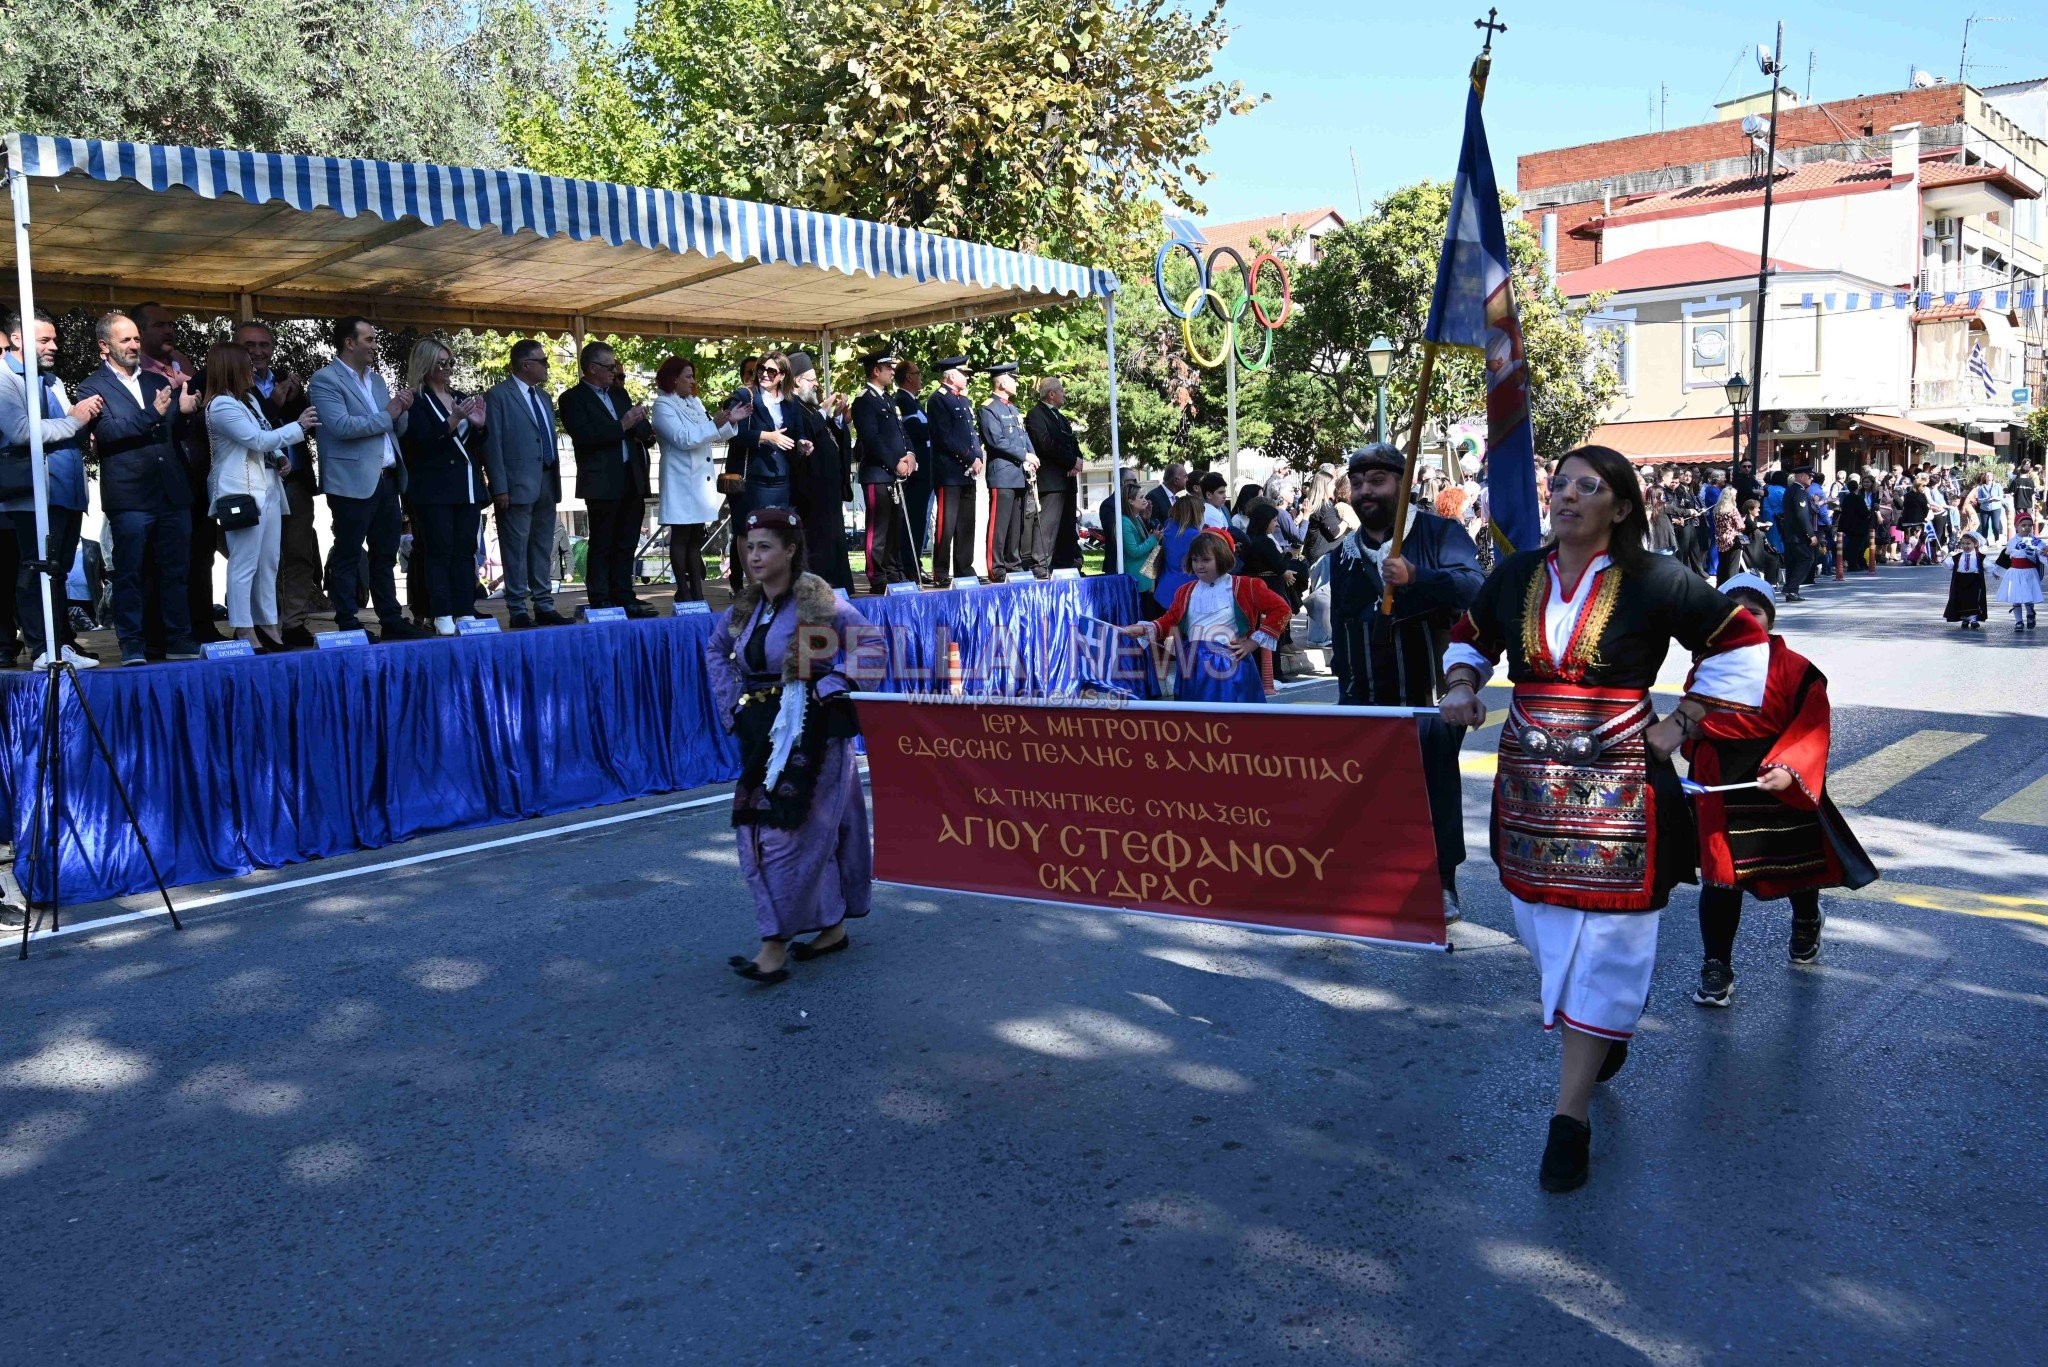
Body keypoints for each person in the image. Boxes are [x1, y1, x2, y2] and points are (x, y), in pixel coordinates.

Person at [1439, 445, 1770, 1193]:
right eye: (1559, 483)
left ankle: (1570, 1117)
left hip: (1623, 790)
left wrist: (1683, 720)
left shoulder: (1657, 579)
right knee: (1543, 929)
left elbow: (1741, 642)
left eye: (1588, 487)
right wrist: (1462, 683)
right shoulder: (1517, 574)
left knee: (1611, 942)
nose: (1565, 496)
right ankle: (1604, 1028)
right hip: (1530, 795)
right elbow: (1470, 637)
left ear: (1620, 506)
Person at [1685, 573, 1877, 1006]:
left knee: (1797, 867)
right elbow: (1692, 721)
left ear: (1769, 619)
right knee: (1721, 878)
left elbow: (1812, 725)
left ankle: (1807, 918)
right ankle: (1717, 967)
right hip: (1723, 785)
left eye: (1753, 612)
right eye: (1733, 614)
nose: (1744, 620)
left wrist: (1791, 768)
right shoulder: (1707, 664)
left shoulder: (1798, 670)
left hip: (1778, 780)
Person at [705, 507, 874, 985]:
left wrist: (834, 682)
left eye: (764, 547)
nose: (753, 556)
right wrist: (731, 707)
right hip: (762, 732)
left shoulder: (819, 602)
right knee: (789, 833)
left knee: (783, 836)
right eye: (748, 546)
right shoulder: (745, 607)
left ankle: (772, 945)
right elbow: (716, 651)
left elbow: (872, 644)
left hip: (813, 734)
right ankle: (832, 927)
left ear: (791, 550)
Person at [1328, 443, 1485, 921]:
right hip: (1365, 697)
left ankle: (1441, 883)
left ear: (1403, 483)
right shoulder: (1343, 558)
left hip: (1430, 693)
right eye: (1358, 483)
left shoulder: (1440, 533)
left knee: (1433, 786)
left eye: (1377, 481)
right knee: (1368, 791)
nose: (1366, 491)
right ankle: (1373, 881)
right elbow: (1343, 625)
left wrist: (1418, 575)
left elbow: (1475, 588)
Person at [76, 312, 203, 665]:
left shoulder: (153, 380)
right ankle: (132, 643)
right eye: (125, 340)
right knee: (130, 573)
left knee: (176, 570)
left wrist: (185, 411)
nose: (134, 345)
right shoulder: (91, 387)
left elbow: (170, 431)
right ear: (104, 346)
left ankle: (179, 638)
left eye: (135, 339)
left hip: (171, 491)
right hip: (130, 496)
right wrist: (154, 414)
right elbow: (107, 434)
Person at [310, 316, 425, 642]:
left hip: (387, 478)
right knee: (348, 553)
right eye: (370, 339)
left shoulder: (376, 380)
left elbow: (390, 427)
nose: (375, 345)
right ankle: (347, 621)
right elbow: (342, 427)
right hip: (350, 480)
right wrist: (389, 413)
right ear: (350, 343)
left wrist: (401, 412)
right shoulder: (325, 380)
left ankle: (390, 617)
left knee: (385, 553)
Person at [1, 309, 103, 668]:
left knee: (58, 569)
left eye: (54, 339)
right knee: (35, 568)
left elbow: (59, 427)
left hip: (65, 491)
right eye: (44, 339)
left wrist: (79, 427)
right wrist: (73, 420)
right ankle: (43, 648)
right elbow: (21, 431)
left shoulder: (51, 379)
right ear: (17, 339)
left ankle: (62, 644)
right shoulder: (4, 378)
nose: (54, 346)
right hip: (32, 493)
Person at [202, 340, 319, 652]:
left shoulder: (248, 401)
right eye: (246, 363)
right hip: (241, 492)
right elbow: (256, 438)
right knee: (244, 562)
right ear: (231, 367)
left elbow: (266, 435)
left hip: (267, 488)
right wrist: (299, 426)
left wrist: (281, 457)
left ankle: (268, 624)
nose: (252, 368)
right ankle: (243, 627)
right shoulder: (222, 405)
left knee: (269, 561)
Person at [1120, 530, 1289, 703]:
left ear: (1222, 558)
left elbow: (1281, 609)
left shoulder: (1245, 586)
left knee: (1229, 722)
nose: (1199, 565)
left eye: (1206, 560)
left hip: (1229, 668)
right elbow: (1169, 620)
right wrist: (1142, 628)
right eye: (1195, 559)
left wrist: (1252, 643)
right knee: (1197, 724)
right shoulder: (1186, 591)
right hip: (1193, 667)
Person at [135, 302, 220, 644]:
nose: (169, 330)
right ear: (138, 332)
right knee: (159, 560)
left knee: (201, 553)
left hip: (195, 475)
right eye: (160, 325)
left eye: (172, 324)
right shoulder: (135, 372)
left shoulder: (182, 364)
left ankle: (200, 623)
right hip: (156, 478)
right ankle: (158, 632)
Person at [234, 322, 323, 648]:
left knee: (298, 554)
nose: (258, 352)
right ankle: (258, 624)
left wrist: (295, 399)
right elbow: (251, 432)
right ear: (234, 348)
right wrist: (275, 402)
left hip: (295, 480)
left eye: (264, 345)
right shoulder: (233, 385)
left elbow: (309, 428)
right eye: (249, 345)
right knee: (256, 558)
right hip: (254, 484)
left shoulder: (288, 379)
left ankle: (294, 622)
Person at [398, 339, 490, 635]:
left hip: (466, 488)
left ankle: (464, 610)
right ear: (425, 365)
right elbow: (418, 444)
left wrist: (479, 425)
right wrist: (453, 419)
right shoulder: (415, 400)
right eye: (441, 363)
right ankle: (440, 613)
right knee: (439, 551)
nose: (447, 368)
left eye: (450, 362)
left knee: (466, 551)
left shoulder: (459, 396)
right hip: (433, 490)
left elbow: (473, 446)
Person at [559, 342, 657, 618]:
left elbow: (640, 431)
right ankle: (601, 599)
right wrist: (623, 425)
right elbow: (585, 436)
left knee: (627, 541)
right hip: (602, 481)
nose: (615, 372)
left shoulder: (618, 394)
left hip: (631, 477)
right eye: (610, 367)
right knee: (603, 542)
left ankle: (625, 596)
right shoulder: (572, 399)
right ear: (592, 369)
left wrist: (641, 424)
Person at [483, 340, 571, 629]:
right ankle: (518, 609)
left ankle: (544, 604)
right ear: (525, 365)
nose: (547, 365)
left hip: (547, 479)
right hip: (516, 485)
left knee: (542, 546)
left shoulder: (544, 397)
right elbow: (492, 443)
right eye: (542, 360)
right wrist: (500, 486)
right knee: (515, 549)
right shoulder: (498, 395)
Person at [651, 355, 746, 603]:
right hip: (680, 479)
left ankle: (697, 589)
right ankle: (683, 588)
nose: (692, 382)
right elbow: (684, 438)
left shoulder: (694, 402)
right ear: (674, 379)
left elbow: (709, 434)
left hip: (698, 480)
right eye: (688, 377)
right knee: (681, 535)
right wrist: (715, 423)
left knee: (695, 536)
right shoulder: (662, 405)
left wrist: (729, 423)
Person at [784, 351, 855, 591]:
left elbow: (827, 437)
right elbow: (802, 435)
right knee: (819, 541)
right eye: (812, 379)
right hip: (810, 488)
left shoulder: (810, 407)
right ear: (796, 381)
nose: (817, 384)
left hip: (828, 486)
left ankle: (839, 586)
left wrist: (838, 420)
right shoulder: (791, 406)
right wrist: (823, 412)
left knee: (834, 538)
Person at [851, 351, 915, 593]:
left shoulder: (888, 399)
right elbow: (872, 439)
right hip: (878, 474)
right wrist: (894, 463)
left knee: (894, 528)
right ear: (876, 371)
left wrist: (910, 454)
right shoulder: (864, 401)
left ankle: (892, 570)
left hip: (895, 475)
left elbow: (901, 431)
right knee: (877, 529)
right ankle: (876, 574)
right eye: (888, 367)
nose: (891, 371)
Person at [925, 359, 982, 582]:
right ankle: (940, 571)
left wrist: (978, 456)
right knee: (946, 524)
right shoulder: (938, 399)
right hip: (949, 471)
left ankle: (964, 569)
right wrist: (969, 457)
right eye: (963, 374)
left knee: (966, 524)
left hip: (968, 472)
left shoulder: (964, 400)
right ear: (950, 377)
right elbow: (945, 436)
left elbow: (971, 433)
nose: (967, 377)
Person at [979, 364, 1034, 581]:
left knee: (1015, 524)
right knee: (998, 524)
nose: (1017, 383)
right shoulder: (988, 408)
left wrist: (1032, 455)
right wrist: (1024, 455)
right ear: (1001, 382)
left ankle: (1014, 563)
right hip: (1002, 474)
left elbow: (1023, 436)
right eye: (1013, 379)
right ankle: (996, 567)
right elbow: (996, 440)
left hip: (1018, 474)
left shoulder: (1012, 408)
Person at [1026, 378, 1083, 575]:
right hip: (1051, 480)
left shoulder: (1060, 417)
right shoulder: (1035, 415)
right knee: (1048, 526)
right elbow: (1046, 444)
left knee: (1067, 526)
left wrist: (1078, 460)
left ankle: (1065, 564)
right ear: (1051, 394)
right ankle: (1041, 565)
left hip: (1067, 480)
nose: (1064, 394)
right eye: (1061, 391)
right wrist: (1070, 461)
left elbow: (1072, 441)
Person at [894, 359, 935, 583]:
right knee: (914, 519)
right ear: (909, 377)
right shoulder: (901, 401)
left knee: (922, 521)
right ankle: (909, 565)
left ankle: (914, 563)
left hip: (925, 472)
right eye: (918, 373)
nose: (921, 378)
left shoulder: (915, 403)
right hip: (915, 474)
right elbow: (914, 432)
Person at [1154, 493, 1208, 608]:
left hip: (1164, 588)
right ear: (1195, 513)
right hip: (1187, 591)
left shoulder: (1169, 527)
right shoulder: (1194, 536)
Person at [1995, 513, 2042, 630]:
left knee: (2027, 596)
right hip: (2015, 573)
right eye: (2023, 525)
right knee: (2016, 598)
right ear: (2017, 526)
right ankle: (2019, 622)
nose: (2027, 528)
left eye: (2029, 525)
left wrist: (2043, 552)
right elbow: (2005, 558)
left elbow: (2042, 554)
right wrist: (1997, 571)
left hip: (2029, 573)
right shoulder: (2012, 542)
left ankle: (2030, 613)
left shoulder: (2035, 541)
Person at [1779, 466, 1818, 597]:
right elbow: (1802, 516)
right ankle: (1791, 587)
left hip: (1790, 533)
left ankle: (1791, 591)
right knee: (1807, 559)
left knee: (1792, 562)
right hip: (1798, 535)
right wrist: (1810, 534)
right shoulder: (1799, 492)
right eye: (1809, 476)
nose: (1811, 479)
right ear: (1801, 477)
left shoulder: (1790, 490)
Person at [1944, 531, 1989, 630]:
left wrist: (1995, 572)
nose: (1965, 546)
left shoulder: (1979, 556)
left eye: (1968, 543)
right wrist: (1944, 557)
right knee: (1962, 600)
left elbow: (1988, 566)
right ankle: (1965, 618)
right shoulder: (1957, 556)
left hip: (1974, 581)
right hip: (1960, 580)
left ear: (1975, 544)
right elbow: (1950, 565)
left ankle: (1973, 619)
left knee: (1973, 600)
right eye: (1963, 543)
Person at [1836, 474, 1874, 574]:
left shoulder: (1846, 498)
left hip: (1848, 525)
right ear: (1857, 487)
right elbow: (1864, 512)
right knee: (1858, 545)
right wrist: (1868, 513)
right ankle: (1852, 562)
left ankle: (1858, 562)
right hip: (1859, 526)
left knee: (1854, 544)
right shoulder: (1859, 499)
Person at [1970, 471, 2007, 545]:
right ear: (1985, 477)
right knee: (1984, 526)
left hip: (1996, 508)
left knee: (1995, 525)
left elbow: (2001, 497)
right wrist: (1987, 499)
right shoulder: (1981, 487)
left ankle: (1997, 540)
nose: (1988, 477)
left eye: (1990, 475)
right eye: (1987, 475)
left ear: (1993, 477)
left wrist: (1994, 497)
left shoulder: (1997, 485)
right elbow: (1979, 500)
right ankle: (1984, 542)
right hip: (1984, 509)